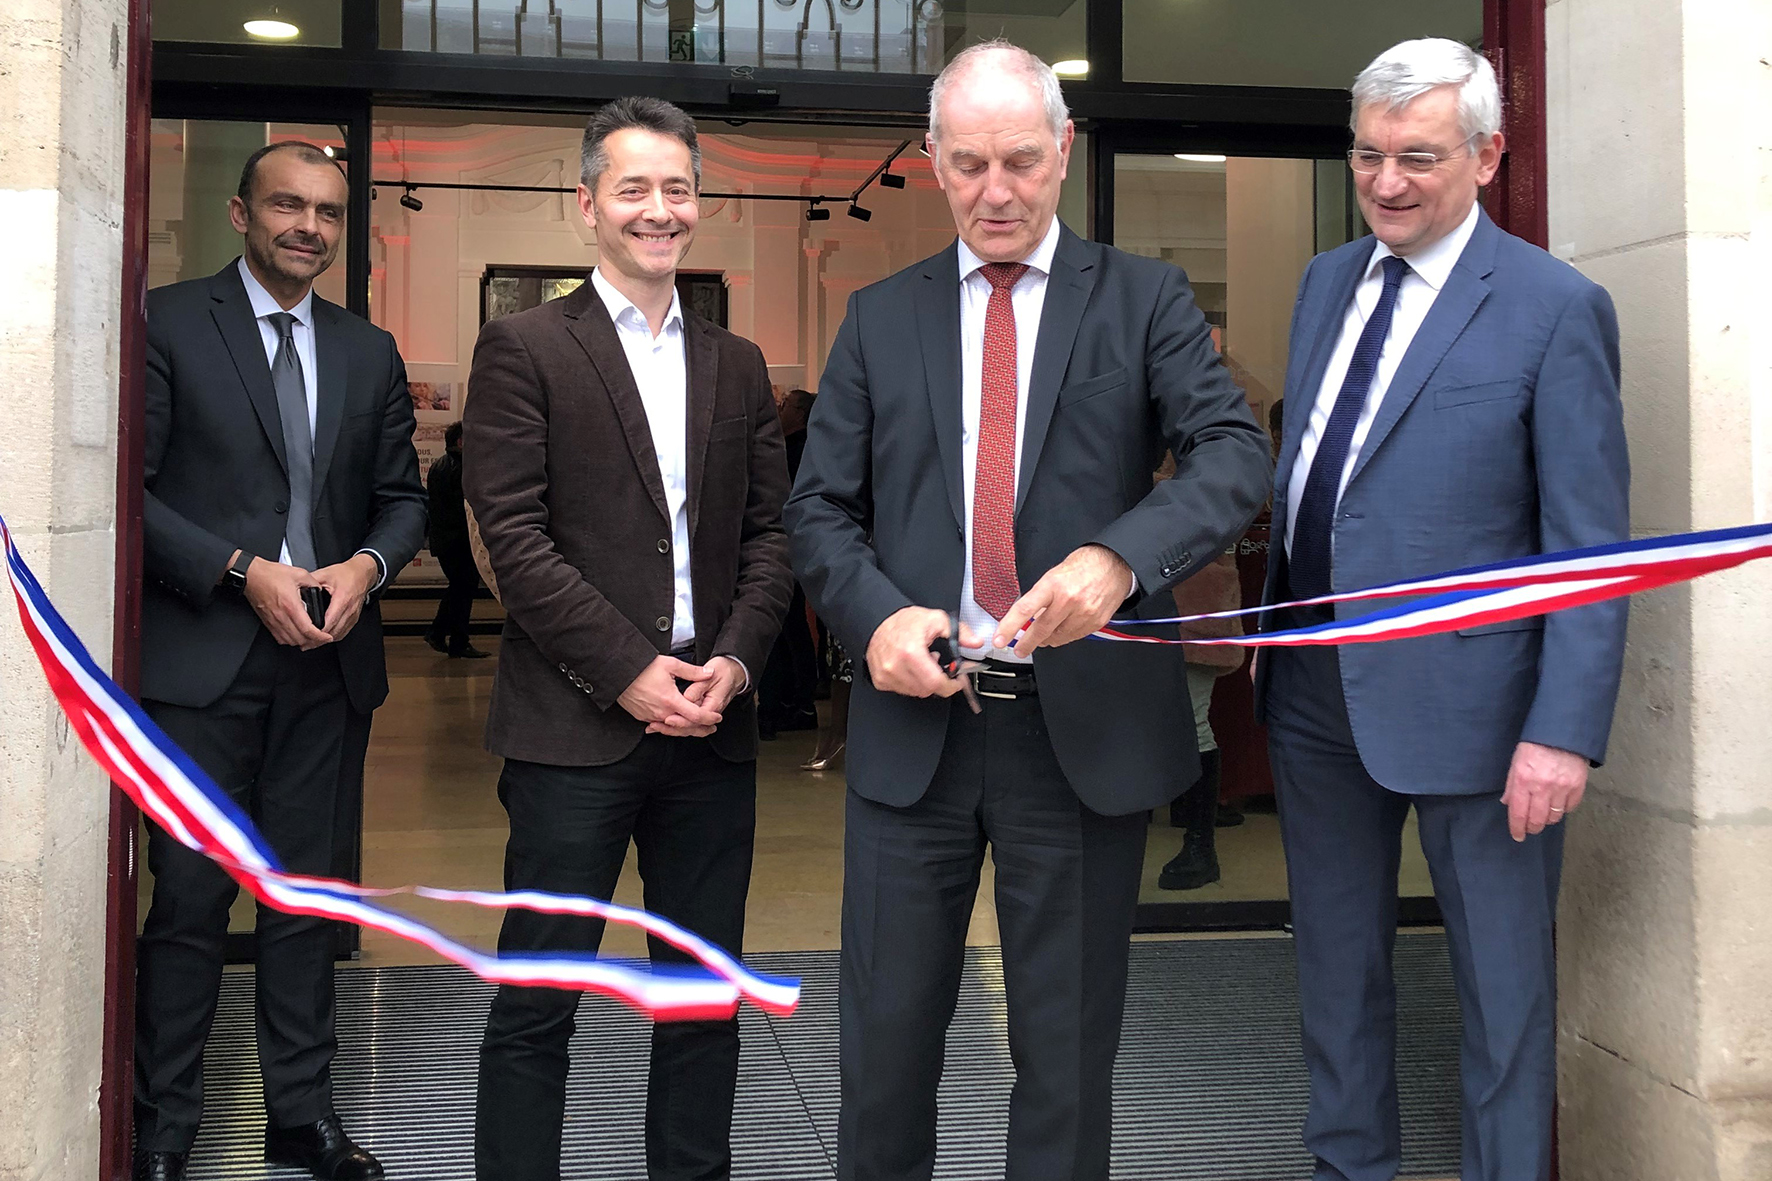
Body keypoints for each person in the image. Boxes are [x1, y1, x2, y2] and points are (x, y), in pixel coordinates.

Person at [787, 40, 1272, 1181]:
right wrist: (874, 618)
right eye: (966, 165)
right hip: (918, 728)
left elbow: (1232, 454)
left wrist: (1119, 555)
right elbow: (816, 509)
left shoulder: (1144, 298)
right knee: (886, 1045)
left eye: (1017, 159)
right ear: (933, 165)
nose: (993, 190)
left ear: (1062, 150)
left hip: (1082, 731)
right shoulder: (877, 317)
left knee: (1064, 1055)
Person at [1254, 38, 1628, 1181]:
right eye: (1366, 155)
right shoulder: (1325, 280)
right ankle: (1347, 1166)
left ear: (1487, 154)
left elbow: (1588, 546)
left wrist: (1561, 728)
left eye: (1415, 156)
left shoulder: (1554, 306)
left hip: (1483, 710)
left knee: (1501, 993)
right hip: (1315, 685)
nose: (1384, 182)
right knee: (1334, 966)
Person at [463, 96, 793, 1181]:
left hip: (712, 732)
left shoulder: (737, 363)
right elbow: (512, 539)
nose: (660, 210)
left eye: (679, 188)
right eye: (634, 188)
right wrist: (628, 672)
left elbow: (770, 534)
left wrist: (736, 659)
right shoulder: (521, 348)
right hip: (570, 732)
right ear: (588, 205)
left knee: (702, 1000)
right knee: (537, 999)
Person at [136, 141, 427, 1181]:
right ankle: (164, 1125)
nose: (309, 226)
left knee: (308, 902)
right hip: (202, 662)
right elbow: (132, 489)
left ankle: (299, 1116)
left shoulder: (369, 349)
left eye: (329, 212)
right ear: (239, 210)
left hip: (327, 666)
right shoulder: (168, 321)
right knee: (185, 901)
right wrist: (236, 568)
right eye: (288, 206)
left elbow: (404, 498)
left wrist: (366, 565)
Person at [1157, 546, 1244, 890]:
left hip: (1193, 605)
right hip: (1156, 606)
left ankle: (1200, 845)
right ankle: (1193, 825)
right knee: (1184, 722)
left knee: (1191, 722)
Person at [758, 389, 821, 737]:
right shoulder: (794, 447)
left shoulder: (794, 451)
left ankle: (790, 703)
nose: (778, 412)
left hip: (789, 549)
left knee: (786, 629)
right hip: (791, 550)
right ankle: (792, 701)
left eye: (784, 406)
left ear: (799, 413)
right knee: (790, 629)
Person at [424, 420, 489, 658]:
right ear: (461, 442)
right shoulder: (461, 468)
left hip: (445, 541)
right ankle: (455, 640)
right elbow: (464, 510)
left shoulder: (439, 466)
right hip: (459, 542)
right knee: (463, 589)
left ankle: (440, 634)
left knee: (459, 589)